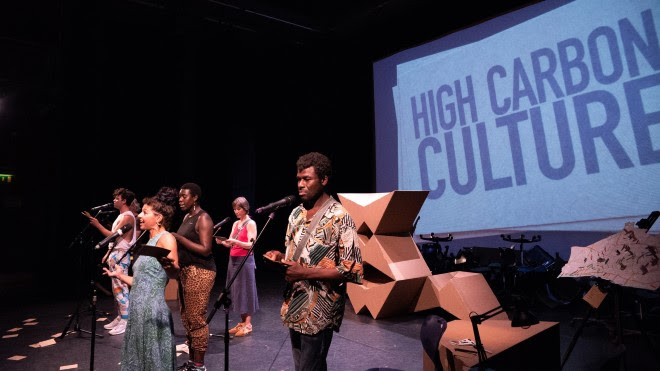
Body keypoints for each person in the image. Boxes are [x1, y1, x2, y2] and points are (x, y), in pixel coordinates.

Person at [264, 152, 363, 371]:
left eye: (307, 179)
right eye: (298, 179)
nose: (300, 184)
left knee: (309, 366)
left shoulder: (340, 216)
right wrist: (280, 258)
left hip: (320, 308)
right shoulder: (296, 214)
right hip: (295, 301)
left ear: (324, 179)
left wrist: (305, 273)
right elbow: (295, 257)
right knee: (306, 366)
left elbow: (352, 269)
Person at [104, 188, 180, 371]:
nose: (140, 216)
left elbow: (174, 273)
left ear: (159, 218)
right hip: (138, 309)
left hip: (152, 308)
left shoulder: (166, 238)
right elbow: (141, 282)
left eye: (145, 213)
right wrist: (120, 275)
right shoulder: (147, 242)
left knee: (153, 359)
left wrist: (172, 267)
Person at [171, 183, 216, 371]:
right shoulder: (187, 217)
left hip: (201, 271)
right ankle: (192, 361)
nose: (180, 200)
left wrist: (179, 239)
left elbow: (206, 249)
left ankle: (199, 365)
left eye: (184, 196)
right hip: (186, 271)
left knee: (196, 318)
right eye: (179, 196)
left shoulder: (203, 218)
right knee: (187, 317)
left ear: (195, 197)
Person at [84, 187, 137, 336]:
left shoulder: (127, 216)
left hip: (121, 254)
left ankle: (127, 321)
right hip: (115, 253)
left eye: (116, 198)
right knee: (116, 289)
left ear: (124, 200)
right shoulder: (121, 216)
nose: (114, 200)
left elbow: (112, 236)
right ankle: (121, 317)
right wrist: (108, 253)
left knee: (121, 288)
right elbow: (116, 239)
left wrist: (98, 225)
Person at [216, 196, 259, 337]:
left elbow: (250, 244)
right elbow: (231, 243)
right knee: (236, 291)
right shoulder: (235, 224)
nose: (236, 211)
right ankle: (242, 322)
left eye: (239, 208)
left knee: (246, 290)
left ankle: (248, 324)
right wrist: (222, 242)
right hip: (233, 259)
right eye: (234, 209)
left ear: (245, 208)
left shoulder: (250, 223)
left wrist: (235, 241)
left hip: (244, 260)